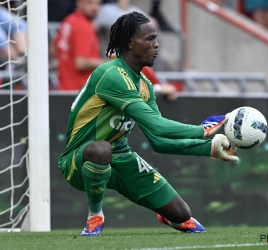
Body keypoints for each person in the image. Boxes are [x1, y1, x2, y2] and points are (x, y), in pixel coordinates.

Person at [58, 11, 239, 236]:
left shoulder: (144, 85)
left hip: (122, 157)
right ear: (130, 44)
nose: (157, 44)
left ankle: (167, 215)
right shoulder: (111, 74)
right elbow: (158, 125)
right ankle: (95, 216)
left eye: (156, 38)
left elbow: (158, 140)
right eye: (150, 39)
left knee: (182, 214)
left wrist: (208, 148)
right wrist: (202, 130)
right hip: (79, 160)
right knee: (101, 149)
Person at [51, 0, 107, 90]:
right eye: (90, 3)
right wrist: (109, 63)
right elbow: (80, 63)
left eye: (98, 3)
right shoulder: (83, 26)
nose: (95, 7)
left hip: (64, 88)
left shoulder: (68, 20)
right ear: (79, 2)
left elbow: (53, 50)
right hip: (81, 91)